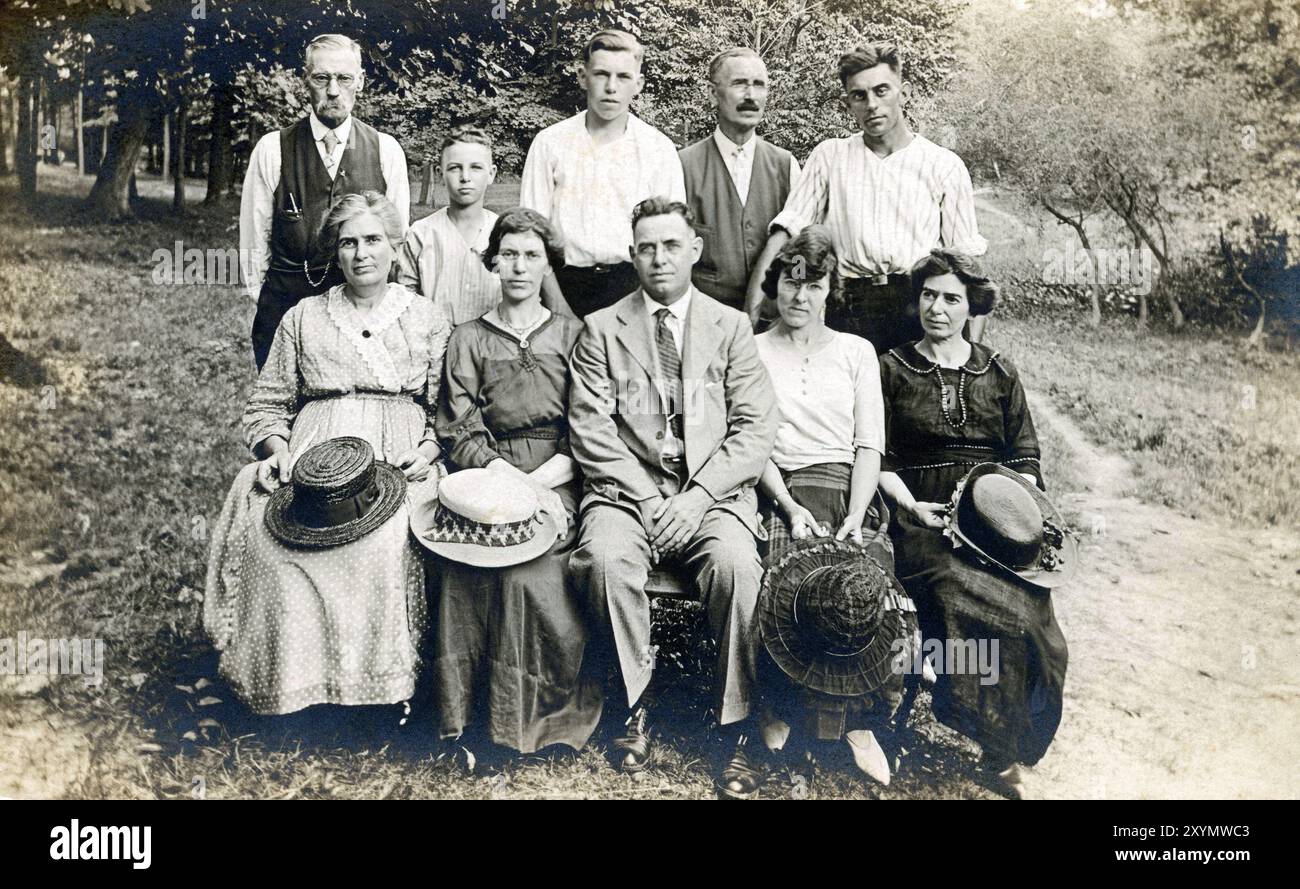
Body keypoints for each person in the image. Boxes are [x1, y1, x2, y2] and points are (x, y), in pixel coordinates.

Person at [568, 196, 778, 799]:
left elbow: (754, 428)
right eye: (647, 247)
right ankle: (634, 702)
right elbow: (591, 430)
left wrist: (698, 496)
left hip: (712, 493)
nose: (659, 258)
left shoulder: (731, 327)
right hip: (625, 493)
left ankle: (735, 721)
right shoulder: (602, 328)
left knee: (738, 566)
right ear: (633, 255)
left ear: (695, 250)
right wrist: (648, 498)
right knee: (604, 561)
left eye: (670, 245)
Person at [206, 191, 448, 715]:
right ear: (335, 254)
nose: (362, 254)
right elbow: (267, 404)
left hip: (396, 456)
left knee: (384, 542)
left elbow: (444, 412)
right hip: (315, 457)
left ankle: (380, 692)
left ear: (395, 246)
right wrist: (276, 450)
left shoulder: (427, 319)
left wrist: (428, 451)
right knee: (275, 543)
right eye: (348, 243)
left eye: (373, 241)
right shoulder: (304, 317)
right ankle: (291, 683)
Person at [877, 248, 1069, 799]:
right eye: (929, 296)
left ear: (970, 307)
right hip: (923, 518)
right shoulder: (891, 368)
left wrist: (1021, 507)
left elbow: (1025, 452)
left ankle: (1005, 740)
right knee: (961, 593)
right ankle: (995, 744)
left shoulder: (999, 370)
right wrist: (909, 505)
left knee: (1031, 618)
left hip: (994, 523)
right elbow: (877, 458)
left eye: (951, 299)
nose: (937, 308)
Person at [430, 208, 603, 755]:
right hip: (486, 477)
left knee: (528, 574)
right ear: (492, 261)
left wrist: (542, 487)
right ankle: (463, 718)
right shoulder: (469, 338)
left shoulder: (576, 336)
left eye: (531, 255)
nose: (519, 267)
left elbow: (590, 428)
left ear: (547, 262)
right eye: (508, 254)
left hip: (559, 477)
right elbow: (458, 428)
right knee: (468, 571)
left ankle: (525, 721)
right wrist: (506, 481)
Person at [750, 226, 910, 778]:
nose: (799, 296)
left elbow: (869, 445)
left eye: (813, 285)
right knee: (783, 581)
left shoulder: (856, 352)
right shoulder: (753, 350)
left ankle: (858, 720)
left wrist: (855, 515)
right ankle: (780, 709)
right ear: (775, 288)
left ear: (829, 291)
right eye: (789, 283)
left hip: (848, 487)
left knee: (862, 584)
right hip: (778, 487)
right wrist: (790, 509)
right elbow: (750, 442)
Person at [746, 42, 987, 353]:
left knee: (913, 400)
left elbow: (969, 270)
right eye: (859, 95)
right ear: (849, 103)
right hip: (848, 310)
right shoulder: (830, 156)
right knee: (848, 400)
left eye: (882, 90)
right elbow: (787, 235)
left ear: (906, 92)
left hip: (917, 311)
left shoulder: (943, 165)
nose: (871, 104)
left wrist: (970, 360)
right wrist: (749, 320)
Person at [240, 33, 411, 370]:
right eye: (322, 77)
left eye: (344, 78)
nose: (333, 90)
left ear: (360, 82)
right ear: (306, 80)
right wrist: (274, 306)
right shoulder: (273, 149)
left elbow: (396, 245)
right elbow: (253, 246)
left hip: (364, 318)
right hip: (286, 311)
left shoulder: (386, 150)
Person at [520, 29, 686, 318]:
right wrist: (558, 308)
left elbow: (671, 237)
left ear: (639, 84)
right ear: (583, 77)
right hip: (563, 287)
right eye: (601, 74)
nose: (611, 87)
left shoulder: (658, 148)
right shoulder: (550, 143)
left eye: (623, 77)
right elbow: (531, 232)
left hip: (634, 290)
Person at [679, 47, 800, 316]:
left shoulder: (786, 164)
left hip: (770, 324)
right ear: (713, 94)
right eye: (739, 84)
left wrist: (798, 290)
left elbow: (802, 249)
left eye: (759, 85)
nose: (751, 96)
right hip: (705, 322)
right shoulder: (681, 166)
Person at [396, 125, 502, 326]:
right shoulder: (420, 234)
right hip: (433, 347)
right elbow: (404, 302)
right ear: (440, 173)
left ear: (491, 173)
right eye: (455, 168)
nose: (465, 177)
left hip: (493, 347)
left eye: (476, 167)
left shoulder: (503, 233)